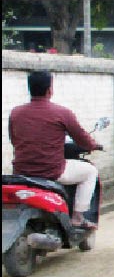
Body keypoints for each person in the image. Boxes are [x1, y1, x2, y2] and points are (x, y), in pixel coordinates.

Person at [9, 71, 102, 229]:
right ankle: (78, 216)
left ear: (30, 89)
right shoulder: (62, 113)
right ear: (49, 90)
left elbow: (14, 139)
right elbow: (82, 139)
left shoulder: (15, 113)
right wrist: (93, 145)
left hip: (21, 171)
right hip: (52, 171)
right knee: (90, 171)